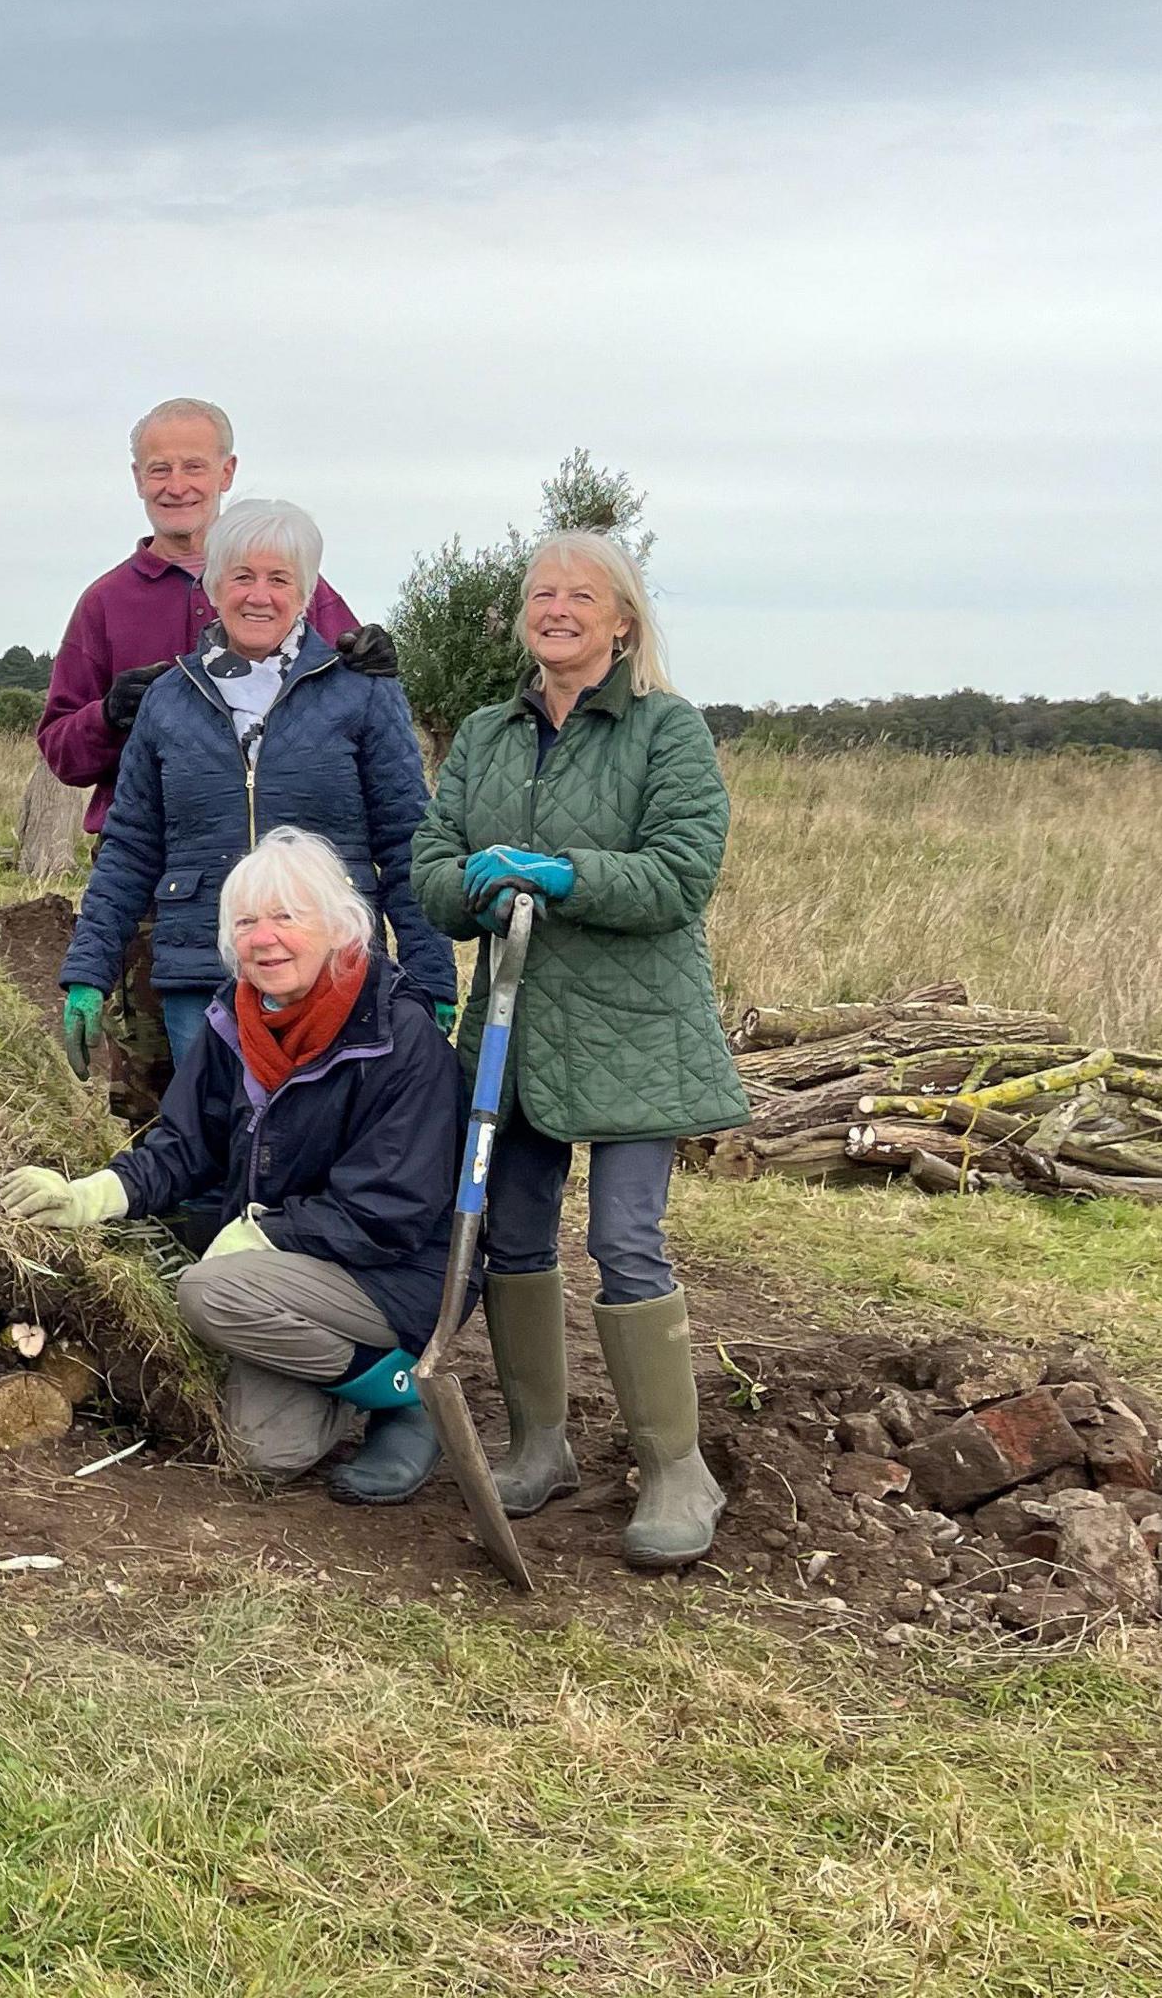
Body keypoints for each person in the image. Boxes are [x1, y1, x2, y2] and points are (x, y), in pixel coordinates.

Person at [414, 529, 749, 1569]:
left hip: (636, 1034)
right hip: (511, 1026)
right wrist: (474, 881)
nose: (556, 608)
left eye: (580, 595)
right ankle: (538, 1447)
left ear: (622, 620)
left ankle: (675, 1471)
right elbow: (431, 863)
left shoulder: (667, 732)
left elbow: (680, 877)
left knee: (626, 1241)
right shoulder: (485, 732)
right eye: (540, 593)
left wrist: (563, 875)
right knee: (513, 1235)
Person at [3, 828, 460, 1494]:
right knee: (264, 1452)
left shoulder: (398, 1035)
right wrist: (89, 1195)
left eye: (286, 917)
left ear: (338, 925)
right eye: (246, 922)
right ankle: (359, 1383)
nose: (264, 937)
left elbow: (389, 1212)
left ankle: (406, 1394)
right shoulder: (236, 1018)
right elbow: (186, 1145)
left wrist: (257, 1235)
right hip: (286, 1274)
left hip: (393, 1272)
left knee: (209, 1290)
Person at [36, 399, 388, 1114]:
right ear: (137, 479)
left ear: (226, 472)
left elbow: (359, 704)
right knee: (165, 1091)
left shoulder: (298, 586)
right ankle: (170, 1215)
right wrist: (110, 718)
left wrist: (383, 663)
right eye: (159, 468)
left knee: (307, 1096)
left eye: (194, 466)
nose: (177, 484)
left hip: (291, 888)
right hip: (160, 893)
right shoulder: (106, 605)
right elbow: (61, 749)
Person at [59, 498, 453, 1132]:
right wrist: (88, 969)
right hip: (203, 966)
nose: (259, 596)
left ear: (307, 592)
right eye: (242, 576)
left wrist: (431, 972)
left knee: (323, 1142)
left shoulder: (362, 692)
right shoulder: (168, 699)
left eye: (280, 579)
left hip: (332, 966)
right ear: (214, 585)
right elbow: (131, 846)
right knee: (215, 1141)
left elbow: (408, 839)